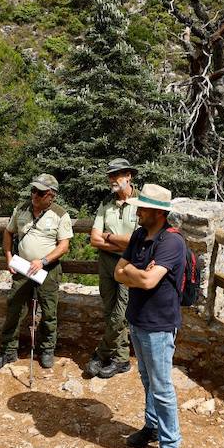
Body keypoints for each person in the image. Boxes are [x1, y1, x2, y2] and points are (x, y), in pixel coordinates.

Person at [115, 183, 188, 448]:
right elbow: (118, 272)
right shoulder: (139, 235)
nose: (138, 213)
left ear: (158, 213)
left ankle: (169, 447)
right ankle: (153, 426)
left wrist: (134, 273)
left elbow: (146, 281)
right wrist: (139, 273)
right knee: (148, 379)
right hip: (137, 319)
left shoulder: (172, 243)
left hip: (159, 324)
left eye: (142, 209)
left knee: (161, 386)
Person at [0, 174, 73, 372]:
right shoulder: (21, 209)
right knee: (15, 308)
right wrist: (9, 257)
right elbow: (8, 232)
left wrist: (43, 261)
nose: (34, 195)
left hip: (48, 269)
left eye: (40, 192)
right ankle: (8, 350)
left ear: (51, 195)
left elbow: (64, 246)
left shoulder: (60, 215)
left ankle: (47, 350)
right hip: (23, 267)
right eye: (33, 190)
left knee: (49, 311)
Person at [86, 158, 140, 379]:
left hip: (129, 263)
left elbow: (137, 242)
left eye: (116, 175)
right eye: (110, 175)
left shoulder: (141, 203)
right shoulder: (106, 203)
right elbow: (94, 239)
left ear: (129, 176)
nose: (112, 179)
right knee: (109, 310)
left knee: (120, 313)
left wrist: (108, 237)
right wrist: (120, 241)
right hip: (107, 262)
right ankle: (120, 359)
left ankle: (102, 353)